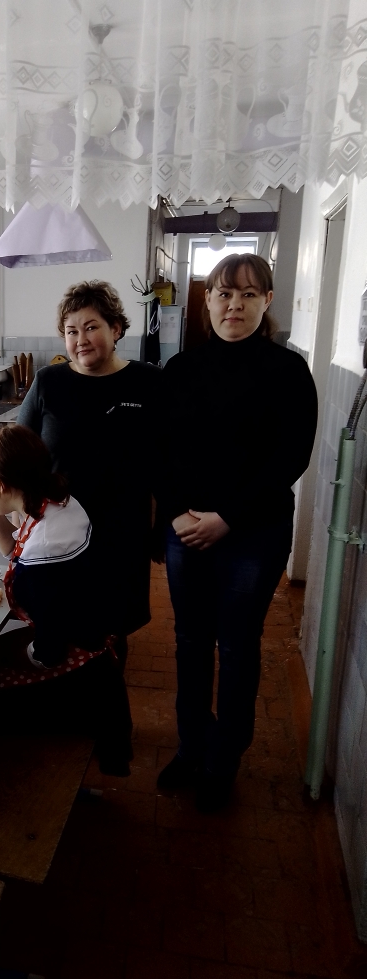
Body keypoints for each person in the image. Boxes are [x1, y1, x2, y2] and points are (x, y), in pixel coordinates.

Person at [157, 254, 318, 812]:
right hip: (186, 529)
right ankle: (190, 748)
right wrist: (174, 514)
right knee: (190, 642)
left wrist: (227, 516)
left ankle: (223, 761)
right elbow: (160, 452)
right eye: (224, 293)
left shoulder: (288, 371)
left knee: (237, 645)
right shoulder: (182, 369)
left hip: (254, 532)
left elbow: (291, 456)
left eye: (249, 294)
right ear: (207, 300)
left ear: (267, 301)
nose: (235, 305)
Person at [16, 280, 163, 772]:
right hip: (59, 539)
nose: (81, 339)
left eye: (92, 327)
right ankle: (77, 732)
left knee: (112, 635)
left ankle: (112, 740)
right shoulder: (49, 383)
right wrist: (8, 505)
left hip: (121, 534)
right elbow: (19, 452)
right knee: (62, 629)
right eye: (71, 330)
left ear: (117, 329)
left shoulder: (147, 383)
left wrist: (162, 526)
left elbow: (167, 462)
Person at [0, 425, 127, 778]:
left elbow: (49, 652)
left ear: (4, 484)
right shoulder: (57, 504)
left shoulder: (46, 552)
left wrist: (19, 657)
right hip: (85, 643)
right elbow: (13, 548)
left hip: (74, 671)